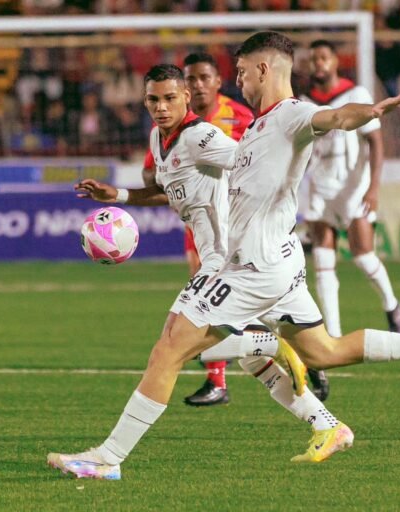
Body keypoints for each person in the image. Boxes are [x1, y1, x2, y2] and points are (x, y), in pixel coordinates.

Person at [47, 32, 400, 481]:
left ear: (264, 71)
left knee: (169, 349)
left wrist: (367, 114)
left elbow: (330, 118)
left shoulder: (292, 114)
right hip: (277, 262)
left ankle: (108, 457)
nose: (239, 80)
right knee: (324, 351)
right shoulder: (257, 125)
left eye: (242, 72)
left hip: (249, 270)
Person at [52, 64, 355, 479]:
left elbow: (248, 160)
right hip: (222, 262)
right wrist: (120, 195)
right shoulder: (161, 139)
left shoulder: (202, 136)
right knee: (229, 358)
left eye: (170, 98)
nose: (161, 107)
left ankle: (109, 458)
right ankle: (324, 421)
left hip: (230, 262)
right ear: (145, 101)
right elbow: (170, 189)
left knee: (169, 350)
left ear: (187, 98)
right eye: (153, 100)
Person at [301, 39, 400, 402]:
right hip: (319, 189)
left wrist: (373, 187)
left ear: (334, 62)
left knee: (363, 256)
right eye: (313, 58)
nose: (318, 63)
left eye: (323, 57)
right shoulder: (305, 101)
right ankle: (332, 336)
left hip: (354, 186)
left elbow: (375, 144)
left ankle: (391, 304)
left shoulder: (356, 92)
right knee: (323, 264)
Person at [178, 52, 255, 406]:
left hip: (239, 220)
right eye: (190, 79)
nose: (197, 85)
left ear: (217, 81)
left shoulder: (239, 117)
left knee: (237, 301)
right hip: (200, 220)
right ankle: (217, 381)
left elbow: (261, 160)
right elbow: (153, 169)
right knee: (211, 299)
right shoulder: (177, 123)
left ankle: (305, 354)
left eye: (203, 78)